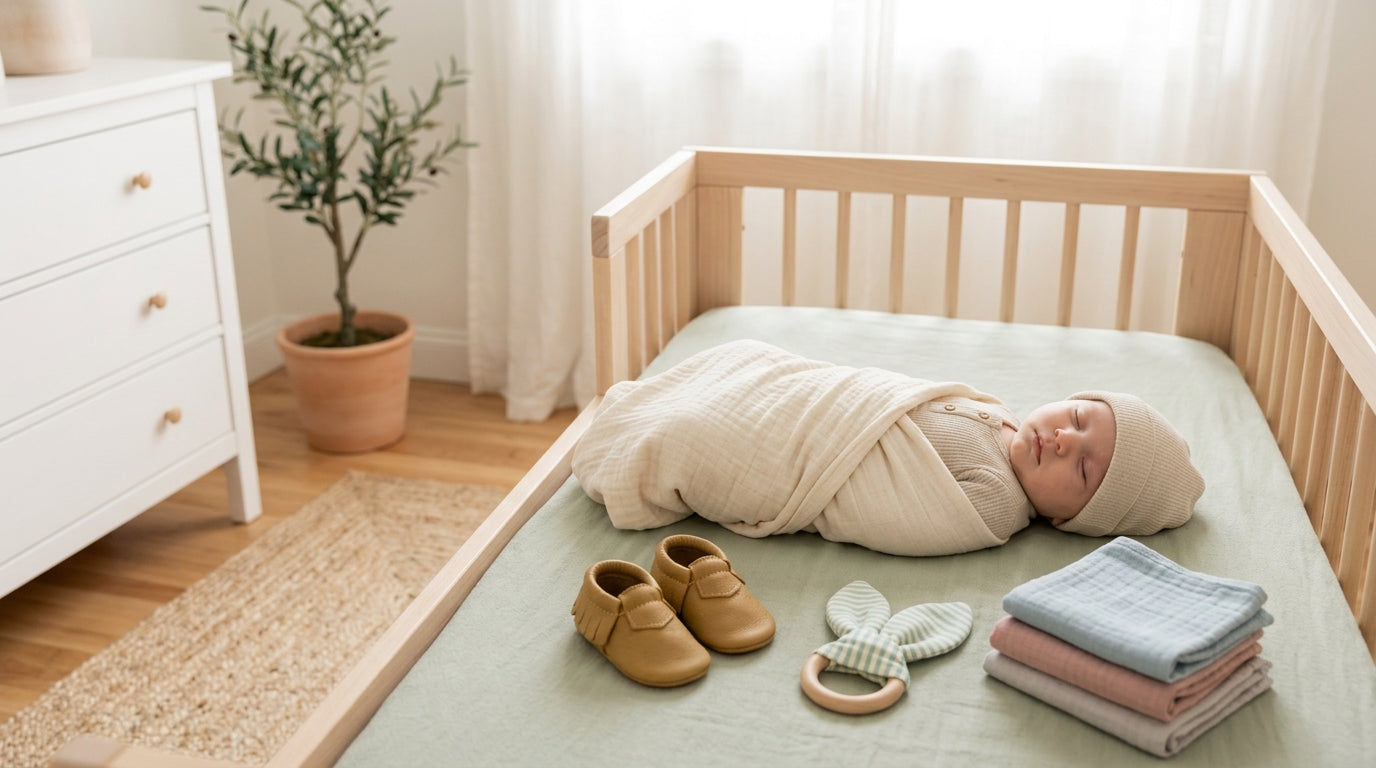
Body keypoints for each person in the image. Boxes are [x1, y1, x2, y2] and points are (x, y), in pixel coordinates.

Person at [572, 340, 1206, 556]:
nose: (1064, 440)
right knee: (751, 360)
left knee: (707, 432)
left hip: (807, 455)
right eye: (1078, 417)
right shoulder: (1002, 418)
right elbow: (876, 394)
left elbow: (879, 507)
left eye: (1084, 469)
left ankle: (649, 443)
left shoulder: (994, 508)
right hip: (824, 399)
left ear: (1070, 520)